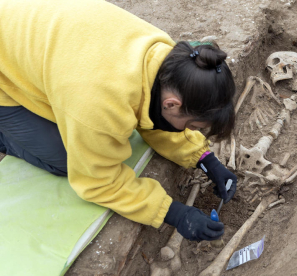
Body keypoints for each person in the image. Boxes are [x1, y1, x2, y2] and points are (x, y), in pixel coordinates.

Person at [0, 0, 237, 242]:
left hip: (27, 25)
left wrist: (205, 159)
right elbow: (96, 181)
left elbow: (152, 110)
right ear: (172, 104)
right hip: (5, 69)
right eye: (191, 126)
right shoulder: (97, 103)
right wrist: (172, 212)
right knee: (69, 158)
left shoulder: (171, 58)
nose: (189, 130)